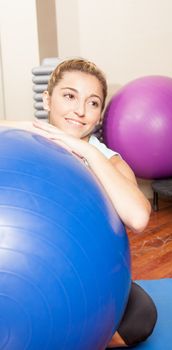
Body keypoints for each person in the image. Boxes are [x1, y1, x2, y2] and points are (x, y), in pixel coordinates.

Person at [0, 58, 157, 348]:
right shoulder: (20, 141)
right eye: (69, 96)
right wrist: (31, 128)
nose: (80, 111)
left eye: (93, 103)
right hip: (17, 266)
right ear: (47, 99)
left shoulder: (110, 161)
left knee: (141, 314)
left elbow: (138, 218)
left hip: (78, 277)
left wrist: (84, 149)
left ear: (99, 115)